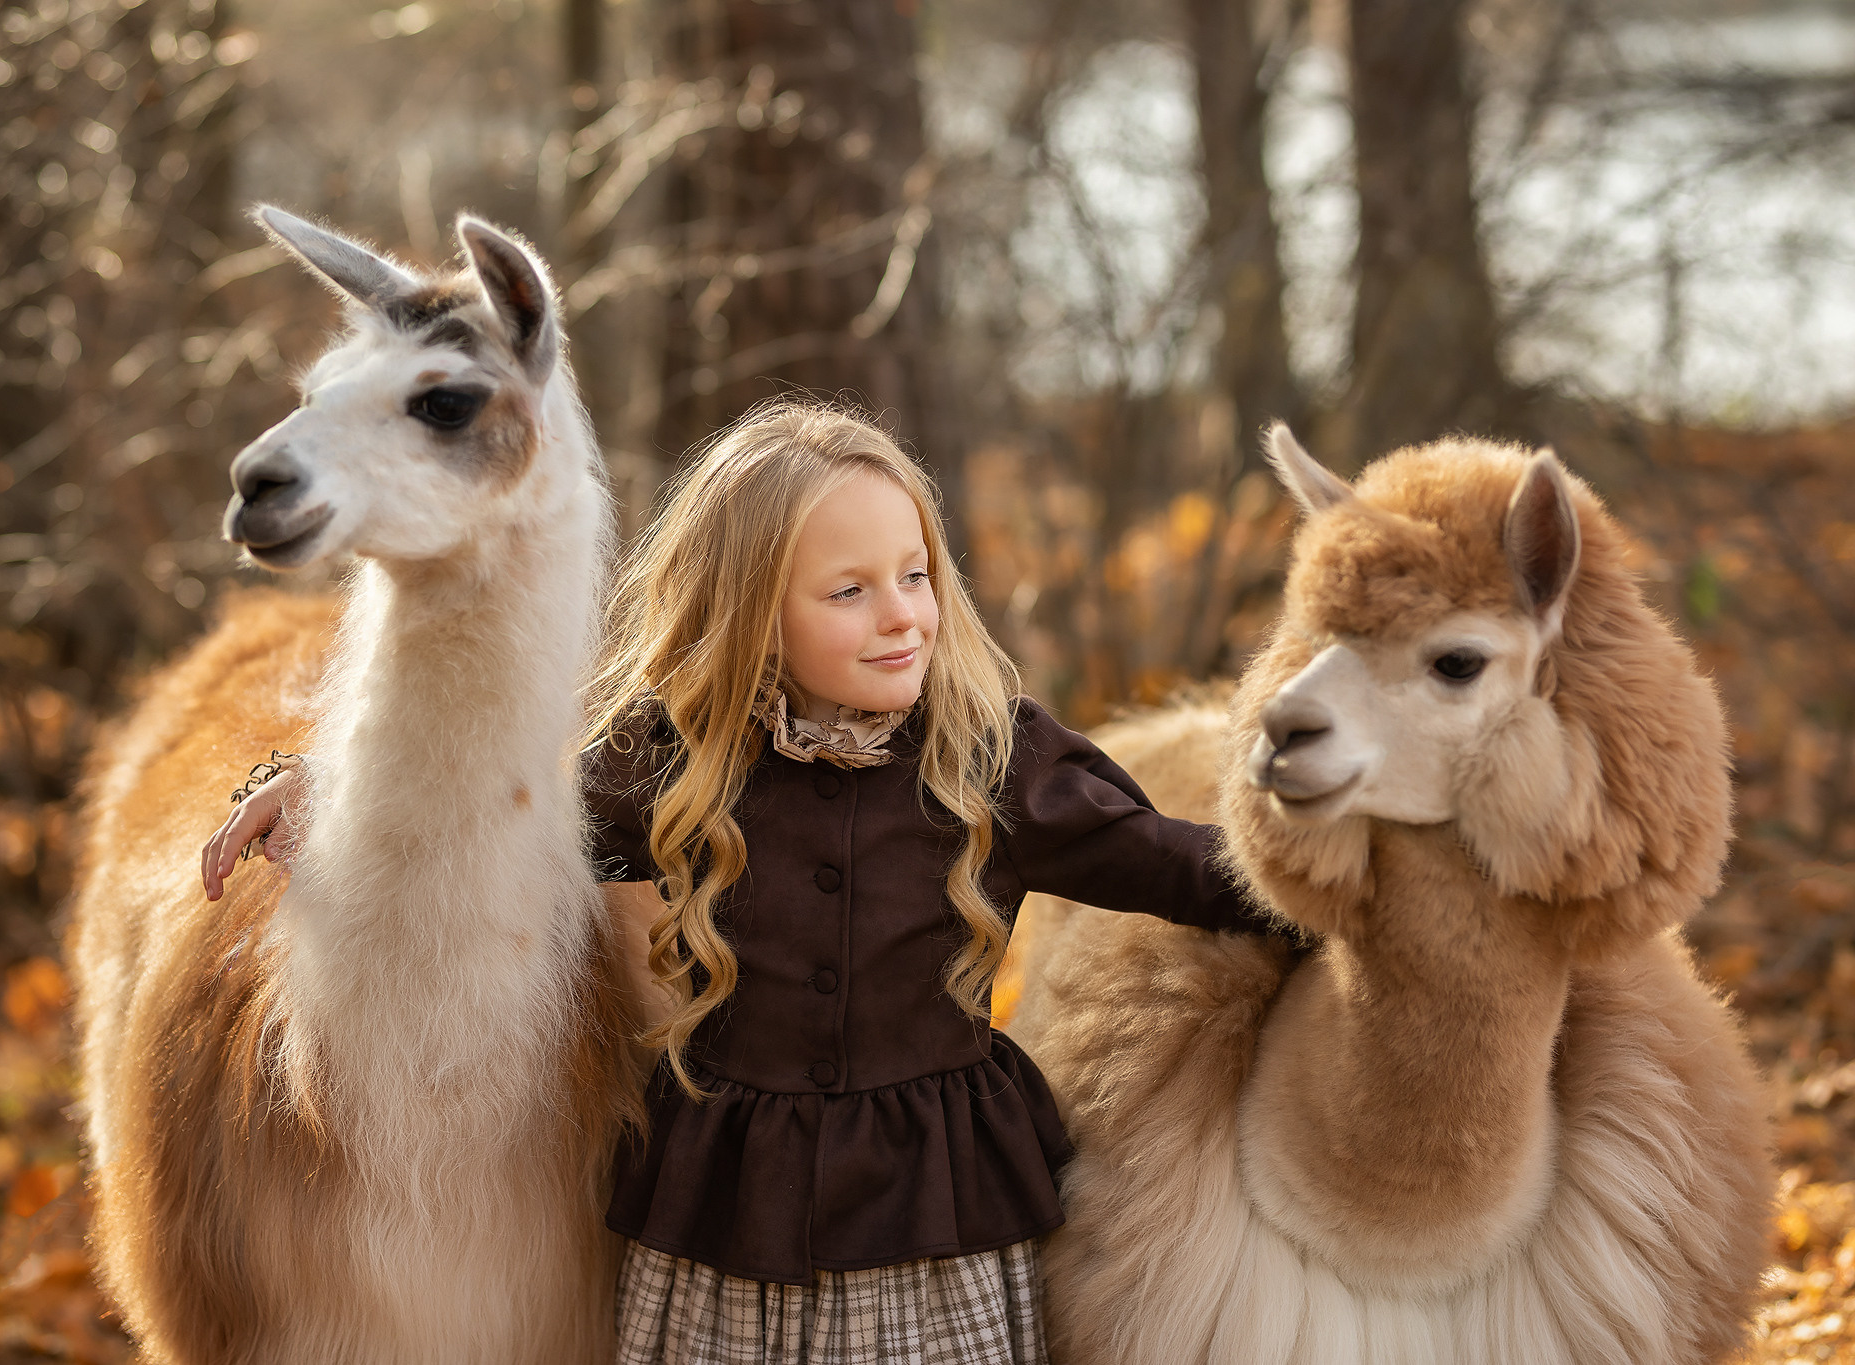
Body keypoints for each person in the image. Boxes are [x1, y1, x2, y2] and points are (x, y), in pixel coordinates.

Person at [201, 400, 1279, 1365]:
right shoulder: (674, 759)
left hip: (929, 1227)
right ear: (753, 610)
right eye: (849, 591)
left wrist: (1343, 883)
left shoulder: (992, 758)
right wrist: (339, 788)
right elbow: (498, 827)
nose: (901, 615)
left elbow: (1182, 866)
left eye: (915, 575)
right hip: (727, 1226)